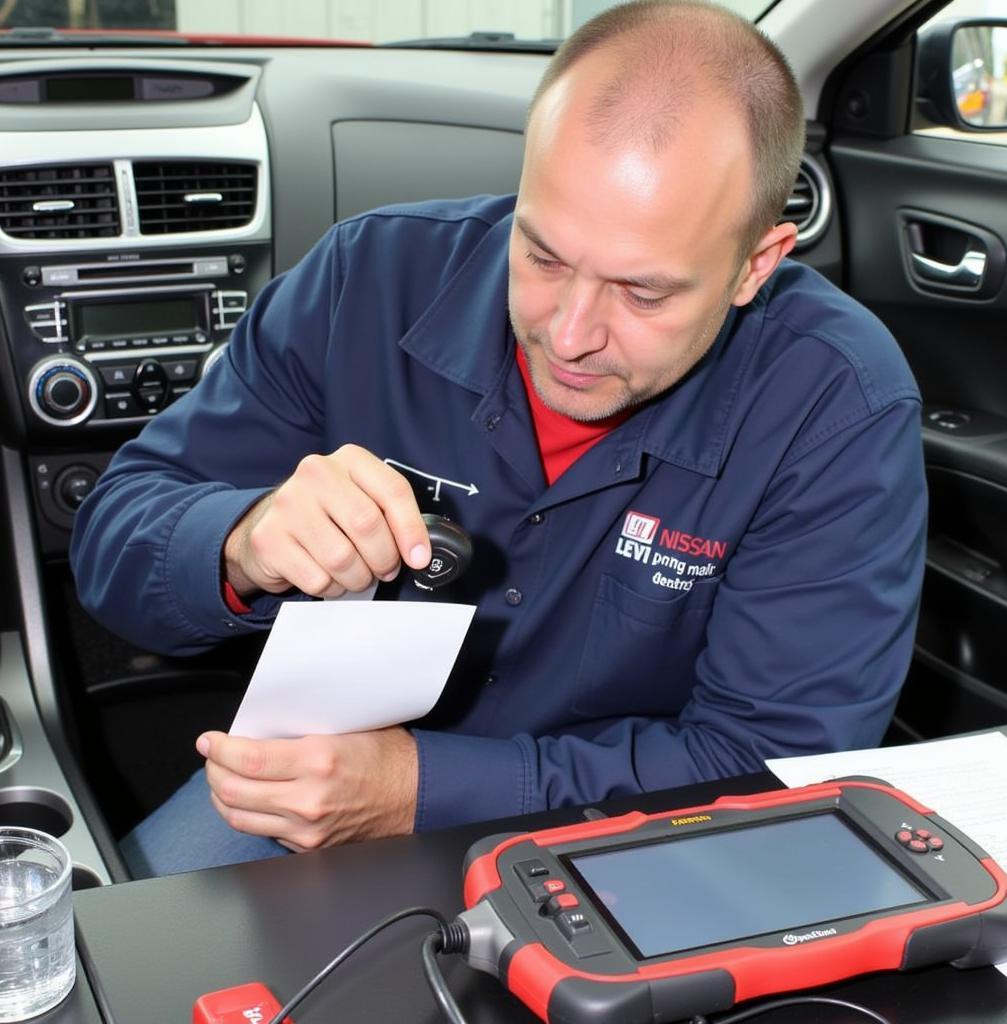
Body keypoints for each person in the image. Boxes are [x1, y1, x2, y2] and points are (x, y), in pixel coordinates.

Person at [70, 0, 927, 878]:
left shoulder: (835, 405)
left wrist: (425, 791)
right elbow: (112, 545)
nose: (570, 333)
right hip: (319, 780)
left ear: (758, 262)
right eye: (544, 256)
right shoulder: (364, 282)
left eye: (643, 293)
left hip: (640, 839)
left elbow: (780, 762)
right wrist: (242, 541)